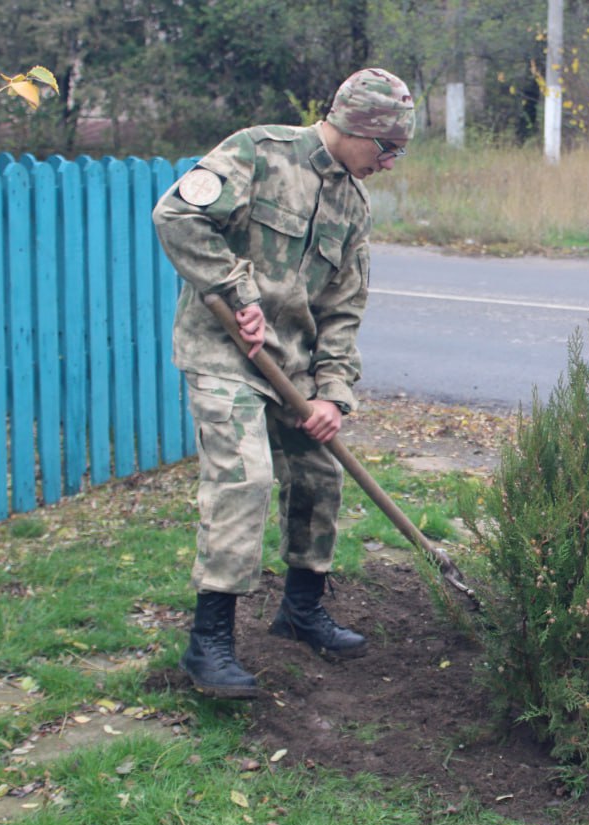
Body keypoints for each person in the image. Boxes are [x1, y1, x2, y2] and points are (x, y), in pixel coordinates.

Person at [152, 68, 415, 699]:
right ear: (359, 130)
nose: (390, 163)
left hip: (292, 369)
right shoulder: (258, 153)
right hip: (225, 356)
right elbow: (177, 215)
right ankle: (208, 643)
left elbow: (344, 308)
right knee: (245, 478)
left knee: (319, 476)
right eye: (389, 150)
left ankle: (301, 610)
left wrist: (331, 394)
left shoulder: (354, 203)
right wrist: (233, 289)